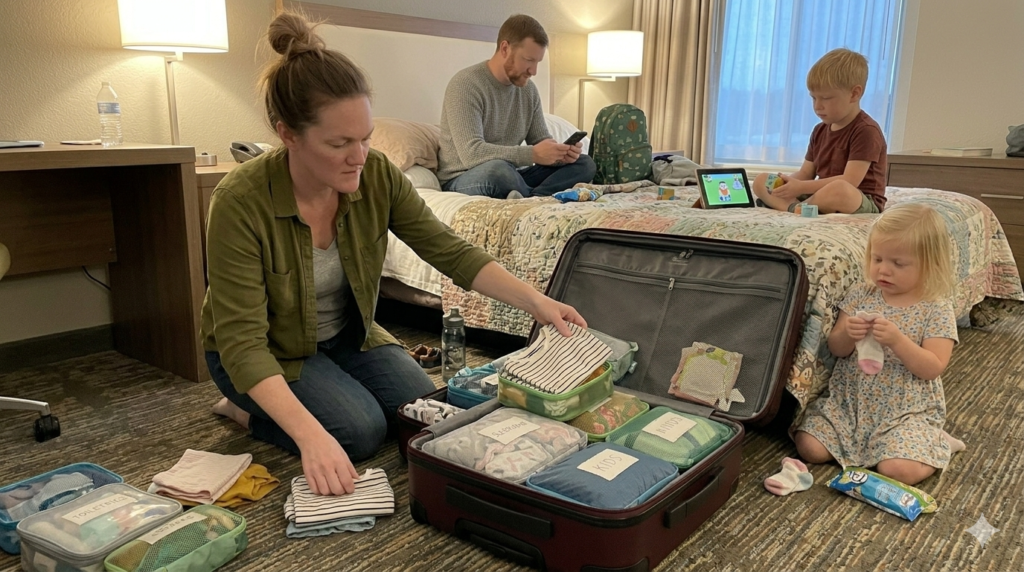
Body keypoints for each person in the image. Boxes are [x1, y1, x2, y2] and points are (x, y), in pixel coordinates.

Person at [202, 12, 586, 497]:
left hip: (347, 334)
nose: (359, 156)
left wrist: (538, 303)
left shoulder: (378, 174)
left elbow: (449, 250)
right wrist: (310, 438)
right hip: (261, 351)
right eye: (339, 143)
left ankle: (326, 390)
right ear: (288, 135)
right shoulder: (240, 201)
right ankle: (244, 410)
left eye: (365, 138)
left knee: (420, 410)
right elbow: (242, 344)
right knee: (359, 432)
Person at [793, 203, 965, 486]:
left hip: (905, 412)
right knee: (808, 446)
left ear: (930, 265)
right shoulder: (861, 294)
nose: (884, 270)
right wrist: (848, 333)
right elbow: (837, 349)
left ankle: (938, 443)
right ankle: (882, 448)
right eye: (877, 258)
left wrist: (898, 341)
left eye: (898, 264)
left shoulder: (935, 307)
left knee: (897, 470)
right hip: (850, 405)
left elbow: (933, 367)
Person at [437, 14, 596, 199]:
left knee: (585, 164)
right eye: (528, 60)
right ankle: (536, 196)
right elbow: (471, 154)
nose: (533, 71)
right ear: (505, 48)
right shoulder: (466, 85)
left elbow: (540, 141)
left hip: (514, 174)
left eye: (537, 62)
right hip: (466, 176)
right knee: (499, 170)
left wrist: (559, 155)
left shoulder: (528, 90)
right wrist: (532, 154)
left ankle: (532, 197)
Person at [751, 48, 887, 215]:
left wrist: (801, 187)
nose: (817, 106)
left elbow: (850, 181)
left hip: (859, 198)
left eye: (826, 98)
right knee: (761, 180)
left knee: (840, 189)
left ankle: (795, 207)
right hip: (820, 193)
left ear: (854, 94)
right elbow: (805, 173)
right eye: (814, 98)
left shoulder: (866, 130)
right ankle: (797, 208)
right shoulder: (819, 130)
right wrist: (786, 184)